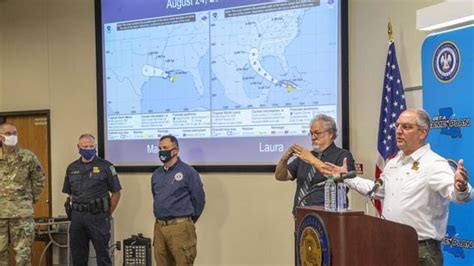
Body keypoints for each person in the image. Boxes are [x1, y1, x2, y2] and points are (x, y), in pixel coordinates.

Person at [327, 108, 471, 266]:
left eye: (406, 127)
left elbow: (457, 195)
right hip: (389, 244)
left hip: (420, 251)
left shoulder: (434, 164)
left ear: (422, 132)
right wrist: (346, 178)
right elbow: (377, 190)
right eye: (397, 126)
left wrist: (461, 188)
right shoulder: (393, 162)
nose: (398, 131)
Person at [275, 114, 355, 215]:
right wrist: (284, 159)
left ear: (330, 134)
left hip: (329, 217)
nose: (313, 137)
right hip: (301, 216)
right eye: (311, 133)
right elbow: (281, 176)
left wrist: (312, 159)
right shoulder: (306, 156)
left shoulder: (343, 155)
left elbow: (346, 183)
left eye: (317, 133)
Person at [62, 133, 121, 266]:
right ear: (78, 147)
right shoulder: (72, 168)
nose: (88, 149)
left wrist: (107, 213)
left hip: (98, 216)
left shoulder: (106, 167)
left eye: (91, 146)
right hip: (77, 217)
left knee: (103, 256)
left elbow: (116, 193)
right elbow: (70, 194)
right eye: (85, 146)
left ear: (95, 147)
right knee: (78, 256)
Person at [151, 135, 205, 266]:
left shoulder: (188, 172)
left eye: (165, 148)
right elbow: (156, 196)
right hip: (159, 227)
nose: (161, 151)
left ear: (175, 150)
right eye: (159, 148)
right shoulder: (156, 174)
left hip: (180, 227)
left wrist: (187, 221)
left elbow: (199, 199)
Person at [0, 122, 45, 265]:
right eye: (8, 133)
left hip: (21, 214)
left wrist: (29, 200)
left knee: (23, 254)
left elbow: (39, 180)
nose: (12, 136)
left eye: (14, 133)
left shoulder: (28, 157)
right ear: (1, 137)